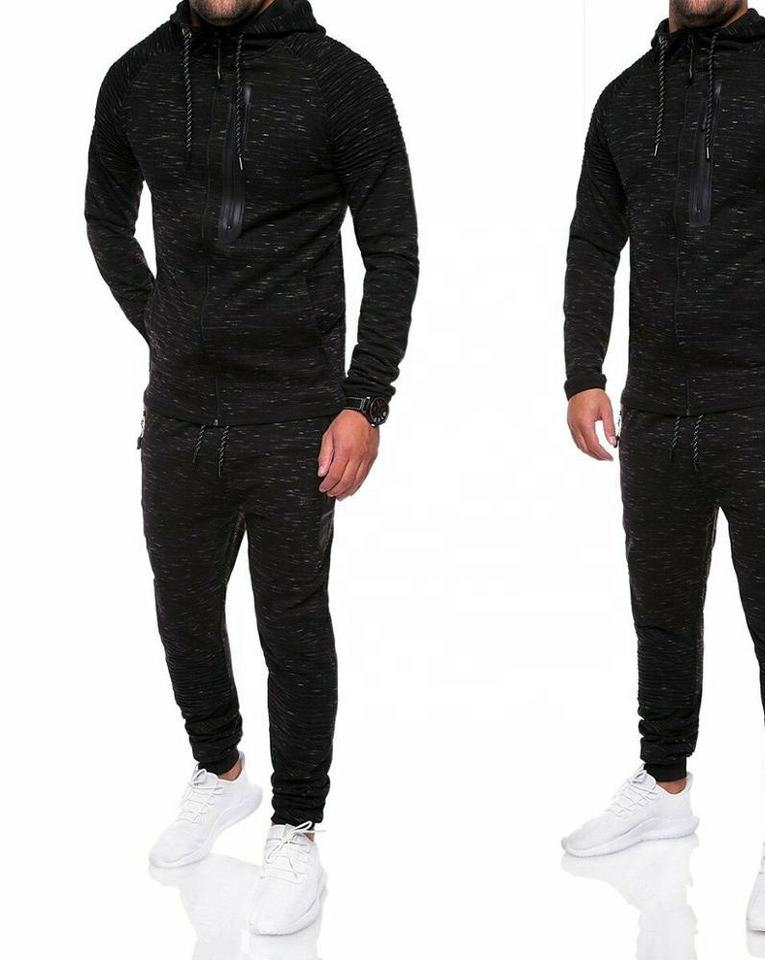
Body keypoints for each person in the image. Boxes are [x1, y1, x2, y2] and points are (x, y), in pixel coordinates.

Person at [86, 0, 418, 935]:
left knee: (292, 618)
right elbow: (105, 219)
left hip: (295, 411)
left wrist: (365, 399)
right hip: (181, 411)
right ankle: (221, 769)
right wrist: (164, 326)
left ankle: (297, 825)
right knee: (183, 605)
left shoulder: (339, 80)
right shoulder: (138, 76)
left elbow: (393, 250)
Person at [561, 0, 765, 935]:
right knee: (661, 604)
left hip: (764, 401)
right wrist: (583, 372)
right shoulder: (626, 99)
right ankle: (664, 782)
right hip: (657, 406)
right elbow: (592, 241)